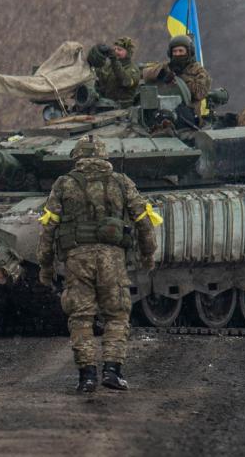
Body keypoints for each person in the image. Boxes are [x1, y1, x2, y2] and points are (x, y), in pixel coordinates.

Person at [36, 134, 161, 393]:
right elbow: (143, 220)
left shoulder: (64, 184)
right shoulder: (121, 182)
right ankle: (113, 372)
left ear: (77, 157)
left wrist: (45, 265)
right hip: (112, 258)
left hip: (77, 259)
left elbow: (48, 227)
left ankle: (87, 376)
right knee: (116, 314)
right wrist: (148, 254)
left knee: (81, 316)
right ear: (104, 156)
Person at [86, 36, 141, 105]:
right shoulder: (108, 66)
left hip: (124, 108)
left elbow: (125, 81)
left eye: (119, 49)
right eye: (114, 49)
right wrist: (95, 56)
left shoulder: (133, 70)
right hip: (106, 106)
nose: (116, 52)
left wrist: (114, 60)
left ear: (128, 53)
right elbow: (97, 75)